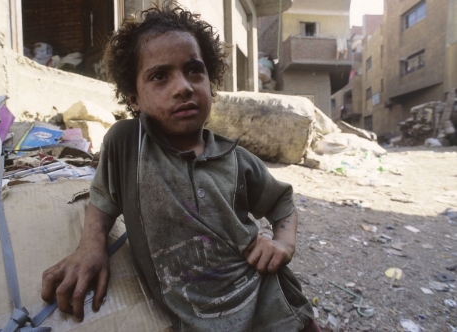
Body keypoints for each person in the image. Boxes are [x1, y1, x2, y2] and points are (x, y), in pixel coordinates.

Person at [41, 1, 320, 331]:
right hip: (198, 320)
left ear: (209, 80)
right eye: (160, 76)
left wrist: (283, 244)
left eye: (194, 70)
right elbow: (103, 202)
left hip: (273, 307)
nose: (184, 87)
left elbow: (282, 203)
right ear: (134, 98)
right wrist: (90, 247)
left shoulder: (235, 159)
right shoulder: (127, 144)